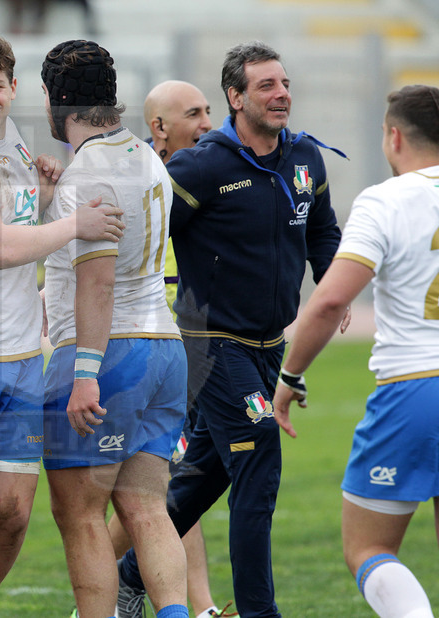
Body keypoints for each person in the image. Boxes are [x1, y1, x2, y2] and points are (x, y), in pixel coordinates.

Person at [116, 40, 348, 618]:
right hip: (211, 345)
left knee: (206, 476)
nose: (282, 94)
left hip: (269, 345)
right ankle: (258, 612)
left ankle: (127, 577)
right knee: (259, 452)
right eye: (266, 85)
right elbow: (138, 235)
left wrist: (330, 281)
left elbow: (321, 229)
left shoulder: (304, 158)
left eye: (284, 83)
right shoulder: (203, 165)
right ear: (235, 97)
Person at [0, 32, 125, 618]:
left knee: (10, 515)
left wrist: (46, 195)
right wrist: (74, 223)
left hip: (20, 362)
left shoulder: (12, 143)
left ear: (13, 88)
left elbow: (16, 226)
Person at [273, 84, 439, 618]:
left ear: (394, 136)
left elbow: (330, 302)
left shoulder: (385, 199)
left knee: (369, 547)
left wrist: (290, 375)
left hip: (414, 387)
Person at [40, 39, 189, 618]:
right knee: (146, 509)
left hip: (108, 352)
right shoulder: (146, 154)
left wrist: (84, 374)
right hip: (163, 349)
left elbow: (96, 284)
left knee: (81, 516)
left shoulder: (90, 172)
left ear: (55, 100)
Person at [105, 79, 235, 618]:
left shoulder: (211, 176)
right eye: (194, 113)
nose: (208, 122)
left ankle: (145, 595)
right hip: (145, 347)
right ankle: (115, 593)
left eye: (209, 111)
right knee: (160, 482)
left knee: (176, 478)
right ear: (158, 127)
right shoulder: (141, 176)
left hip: (196, 348)